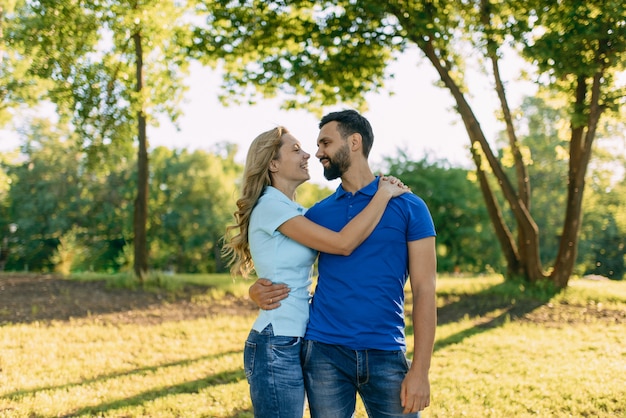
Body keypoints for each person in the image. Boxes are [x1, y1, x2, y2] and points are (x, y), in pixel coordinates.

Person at [249, 110, 437, 417]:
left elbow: (426, 290)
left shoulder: (409, 206)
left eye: (325, 143)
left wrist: (420, 370)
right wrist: (255, 289)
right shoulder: (316, 214)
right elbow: (282, 261)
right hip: (323, 354)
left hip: (386, 352)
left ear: (354, 142)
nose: (318, 153)